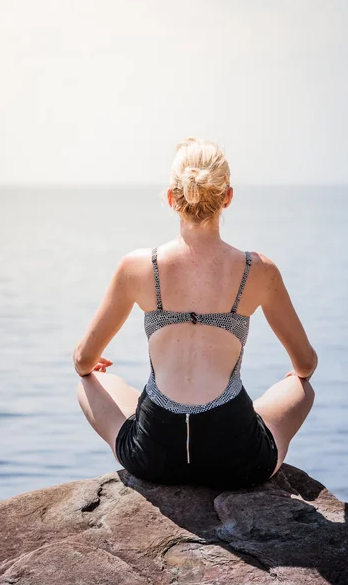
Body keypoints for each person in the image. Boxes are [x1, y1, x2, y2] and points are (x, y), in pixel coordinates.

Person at [73, 137, 317, 490]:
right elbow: (306, 365)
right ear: (228, 197)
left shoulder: (138, 266)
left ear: (172, 199)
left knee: (88, 381)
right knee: (302, 388)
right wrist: (292, 379)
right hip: (237, 459)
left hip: (154, 456)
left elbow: (82, 360)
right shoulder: (259, 270)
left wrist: (90, 368)